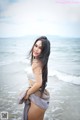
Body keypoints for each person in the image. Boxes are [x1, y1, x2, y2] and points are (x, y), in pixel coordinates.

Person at [19, 36, 50, 120]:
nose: (36, 49)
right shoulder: (42, 62)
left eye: (40, 48)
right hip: (39, 98)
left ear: (44, 51)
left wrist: (28, 93)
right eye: (36, 45)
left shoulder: (37, 63)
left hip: (37, 101)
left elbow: (39, 83)